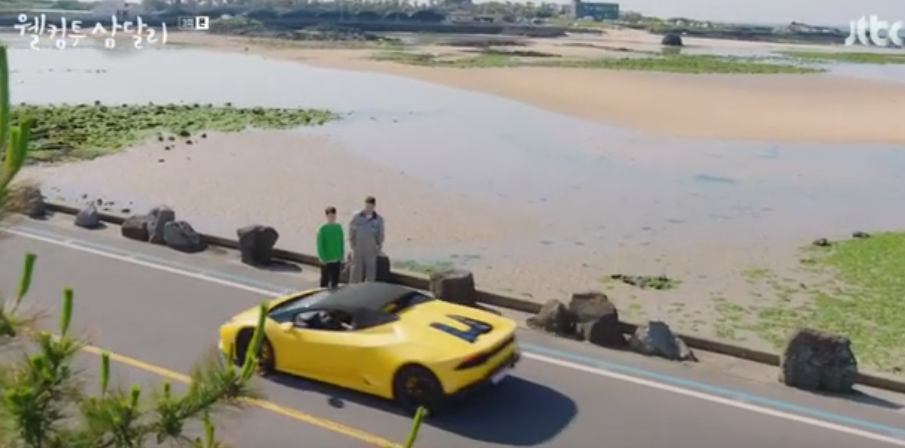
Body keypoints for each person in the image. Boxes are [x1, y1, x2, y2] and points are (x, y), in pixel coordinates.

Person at [348, 196, 385, 283]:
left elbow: (380, 234)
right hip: (358, 247)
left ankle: (369, 288)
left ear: (374, 206)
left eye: (370, 206)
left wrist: (379, 247)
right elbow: (351, 231)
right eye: (366, 206)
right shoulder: (357, 216)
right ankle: (354, 288)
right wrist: (352, 244)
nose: (368, 208)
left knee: (371, 270)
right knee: (356, 270)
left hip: (371, 248)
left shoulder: (379, 219)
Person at [317, 206, 344, 289]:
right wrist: (323, 258)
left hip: (336, 258)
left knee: (335, 280)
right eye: (330, 216)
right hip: (327, 260)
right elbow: (320, 245)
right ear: (327, 216)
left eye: (333, 216)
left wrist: (342, 254)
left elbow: (341, 241)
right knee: (325, 281)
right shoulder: (322, 229)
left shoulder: (338, 227)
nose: (332, 218)